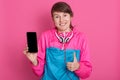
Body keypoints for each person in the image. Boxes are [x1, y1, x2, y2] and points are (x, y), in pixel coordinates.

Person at [23, 1, 92, 80]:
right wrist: (35, 61)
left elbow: (87, 73)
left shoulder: (81, 38)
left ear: (71, 16)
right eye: (57, 16)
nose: (61, 20)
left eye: (65, 15)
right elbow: (39, 73)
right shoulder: (45, 36)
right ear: (52, 19)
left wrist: (78, 67)